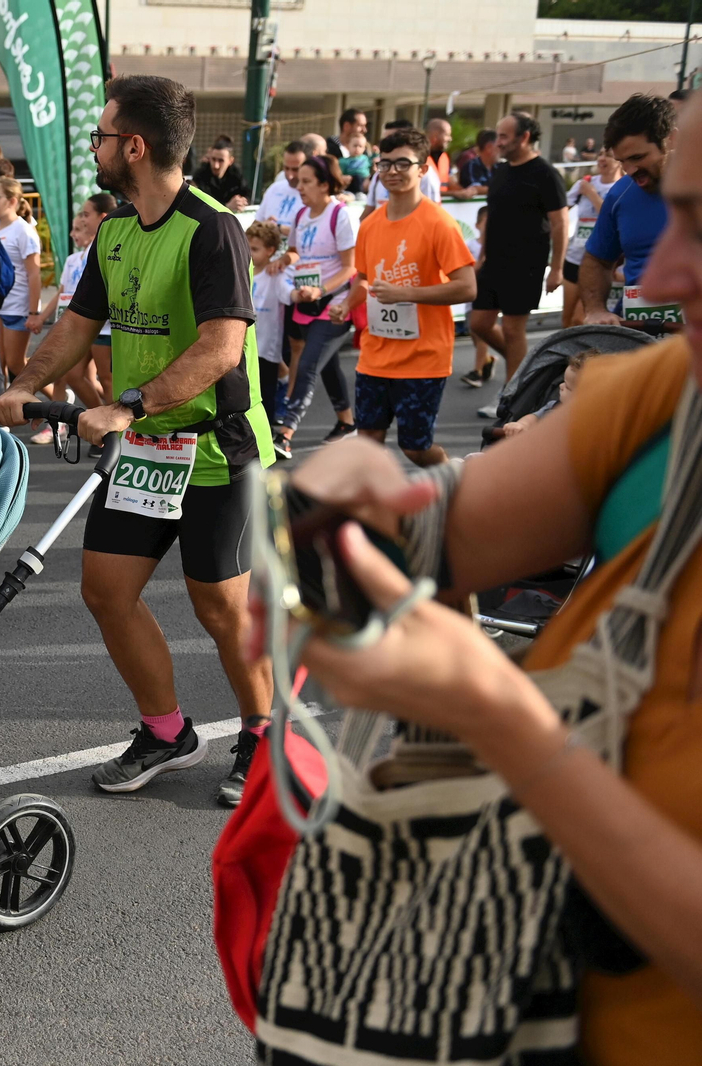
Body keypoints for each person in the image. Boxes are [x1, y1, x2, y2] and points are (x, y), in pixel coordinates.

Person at [279, 95, 702, 1066]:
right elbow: (407, 545)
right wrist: (330, 509)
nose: (664, 275)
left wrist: (503, 721)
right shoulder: (663, 395)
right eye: (663, 205)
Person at [0, 74, 275, 808]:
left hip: (216, 448)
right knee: (106, 591)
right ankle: (166, 731)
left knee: (220, 607)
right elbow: (75, 330)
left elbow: (219, 348)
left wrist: (127, 405)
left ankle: (262, 733)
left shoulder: (212, 227)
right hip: (149, 448)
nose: (95, 148)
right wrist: (28, 384)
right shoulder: (115, 230)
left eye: (102, 136)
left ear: (135, 146)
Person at [330, 127, 474, 467]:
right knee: (368, 444)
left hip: (423, 357)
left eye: (402, 164)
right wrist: (345, 305)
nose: (392, 171)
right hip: (376, 353)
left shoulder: (439, 223)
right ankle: (375, 514)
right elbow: (365, 280)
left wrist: (405, 293)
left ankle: (459, 479)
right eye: (385, 164)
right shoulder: (370, 224)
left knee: (416, 449)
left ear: (423, 169)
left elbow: (467, 287)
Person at [468, 111, 568, 405]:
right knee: (479, 324)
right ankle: (526, 370)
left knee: (513, 330)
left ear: (524, 137)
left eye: (503, 136)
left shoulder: (546, 174)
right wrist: (481, 256)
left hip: (526, 264)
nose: (497, 142)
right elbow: (491, 218)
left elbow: (560, 222)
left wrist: (557, 268)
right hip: (494, 262)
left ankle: (512, 399)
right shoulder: (501, 171)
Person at [273, 153, 360, 459]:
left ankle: (285, 432)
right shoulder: (301, 215)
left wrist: (321, 289)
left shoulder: (340, 215)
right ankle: (347, 424)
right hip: (304, 301)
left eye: (307, 181)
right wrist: (285, 259)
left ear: (325, 185)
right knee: (327, 363)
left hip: (334, 304)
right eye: (298, 180)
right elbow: (297, 251)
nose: (299, 186)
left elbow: (350, 267)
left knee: (308, 364)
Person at [582, 94, 677, 327]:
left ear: (671, 140)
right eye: (622, 161)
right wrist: (595, 310)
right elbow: (597, 260)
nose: (630, 170)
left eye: (638, 157)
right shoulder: (620, 194)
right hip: (644, 338)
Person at [40, 193, 117, 414]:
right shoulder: (82, 254)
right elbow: (66, 292)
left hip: (106, 327)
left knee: (107, 379)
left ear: (102, 217)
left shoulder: (109, 245)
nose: (82, 220)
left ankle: (115, 434)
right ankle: (102, 424)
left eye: (86, 215)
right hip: (84, 327)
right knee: (73, 375)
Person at [0, 175, 46, 439]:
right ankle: (3, 417)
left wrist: (34, 312)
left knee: (15, 364)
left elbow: (34, 274)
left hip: (18, 306)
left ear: (12, 201)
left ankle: (54, 399)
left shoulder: (24, 231)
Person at [560, 145, 622, 330]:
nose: (602, 159)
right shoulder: (584, 183)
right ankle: (567, 357)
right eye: (600, 154)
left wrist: (592, 194)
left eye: (609, 155)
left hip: (601, 261)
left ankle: (591, 358)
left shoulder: (623, 187)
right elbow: (562, 212)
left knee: (582, 319)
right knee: (567, 319)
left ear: (619, 160)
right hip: (575, 257)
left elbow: (609, 214)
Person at [247, 219, 290, 427]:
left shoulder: (275, 275)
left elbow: (288, 293)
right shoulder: (242, 271)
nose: (249, 253)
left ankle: (270, 431)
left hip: (266, 348)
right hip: (244, 346)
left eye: (254, 249)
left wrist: (301, 294)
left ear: (270, 251)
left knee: (266, 394)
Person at [500, 348, 589, 437]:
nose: (560, 386)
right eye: (563, 382)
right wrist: (522, 425)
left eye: (567, 387)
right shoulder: (554, 407)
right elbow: (534, 418)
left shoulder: (593, 422)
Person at [458, 204, 495, 387]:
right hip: (471, 297)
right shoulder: (470, 246)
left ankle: (477, 372)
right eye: (486, 223)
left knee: (481, 334)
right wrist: (479, 264)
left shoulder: (497, 247)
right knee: (474, 332)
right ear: (477, 225)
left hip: (488, 298)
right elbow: (466, 270)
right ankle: (487, 360)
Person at [256, 142, 307, 233]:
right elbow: (255, 224)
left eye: (295, 170)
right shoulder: (274, 189)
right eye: (286, 168)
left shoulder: (315, 195)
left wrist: (279, 228)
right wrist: (264, 226)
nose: (290, 176)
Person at [192, 134, 251, 208]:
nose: (216, 165)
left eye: (221, 161)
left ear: (230, 161)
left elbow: (247, 193)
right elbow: (202, 203)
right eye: (213, 159)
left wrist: (242, 201)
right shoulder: (201, 175)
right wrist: (227, 206)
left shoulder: (236, 174)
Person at [454, 127, 499, 197]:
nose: (502, 149)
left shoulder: (499, 167)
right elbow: (474, 188)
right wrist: (500, 188)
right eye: (499, 146)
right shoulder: (472, 166)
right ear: (489, 147)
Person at [425, 117, 453, 190]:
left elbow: (451, 182)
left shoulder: (444, 157)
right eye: (447, 135)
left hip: (441, 201)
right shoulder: (419, 157)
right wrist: (456, 193)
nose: (450, 139)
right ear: (435, 136)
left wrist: (468, 191)